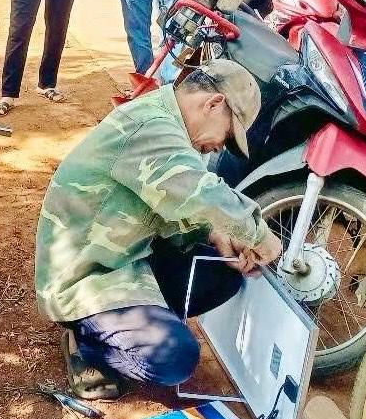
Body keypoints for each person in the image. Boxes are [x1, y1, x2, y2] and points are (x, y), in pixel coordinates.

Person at [35, 60, 283, 399]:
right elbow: (200, 195)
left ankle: (132, 324)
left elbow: (170, 208)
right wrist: (258, 233)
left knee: (223, 272)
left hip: (126, 257)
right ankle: (87, 342)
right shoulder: (150, 126)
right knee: (174, 359)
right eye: (226, 135)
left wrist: (214, 234)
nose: (219, 147)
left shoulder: (167, 124)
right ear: (214, 104)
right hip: (87, 277)